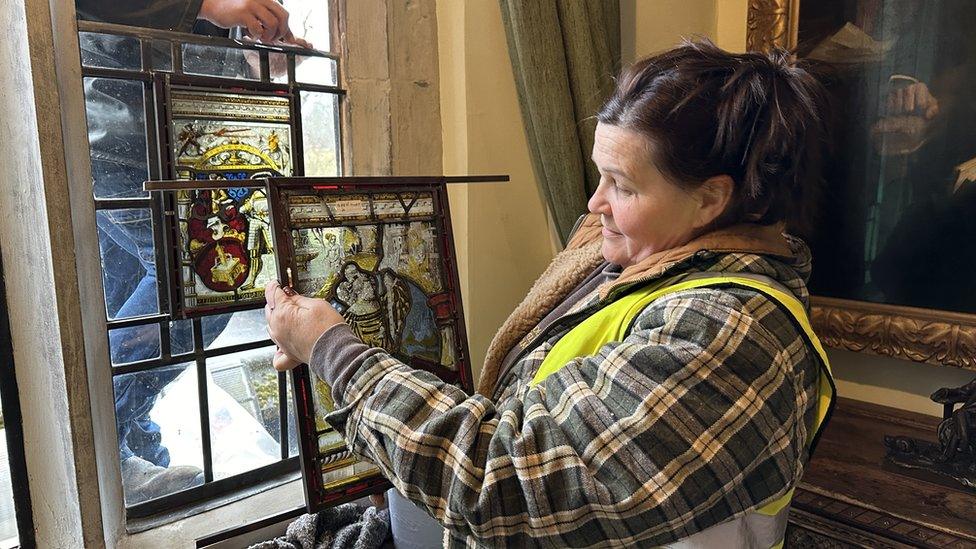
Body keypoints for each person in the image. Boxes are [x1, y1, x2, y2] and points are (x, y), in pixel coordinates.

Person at [266, 40, 837, 547]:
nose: (595, 203)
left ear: (712, 199)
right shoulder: (641, 257)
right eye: (598, 175)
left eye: (623, 184)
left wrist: (331, 350)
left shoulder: (730, 334)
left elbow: (500, 480)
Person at [77, 0, 309, 504]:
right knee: (199, 293)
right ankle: (104, 457)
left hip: (158, 128)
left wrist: (251, 54)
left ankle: (130, 454)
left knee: (122, 307)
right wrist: (204, 5)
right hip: (130, 129)